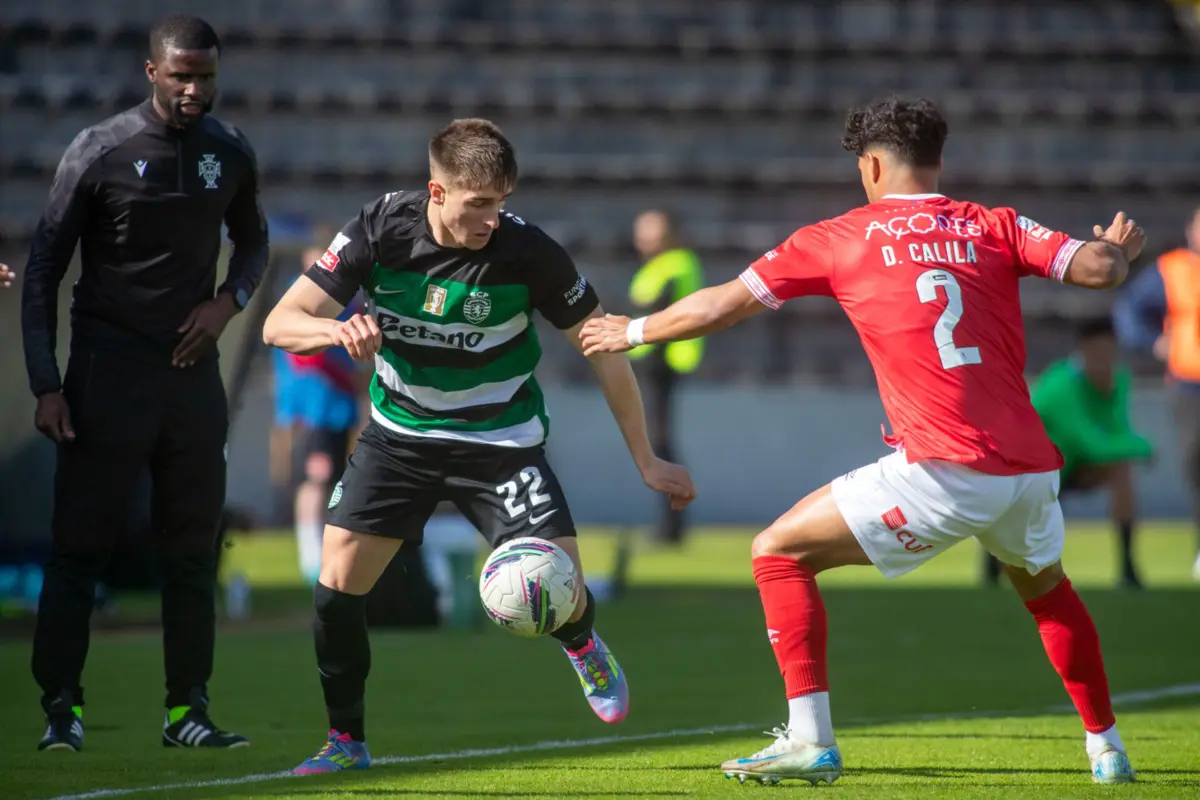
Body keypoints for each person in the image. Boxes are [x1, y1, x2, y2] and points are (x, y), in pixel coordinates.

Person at [581, 96, 1144, 787]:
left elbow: (724, 304)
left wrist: (633, 330)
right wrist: (1116, 250)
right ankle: (1107, 749)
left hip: (945, 467)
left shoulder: (841, 236)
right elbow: (1099, 270)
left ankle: (809, 739)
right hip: (1028, 470)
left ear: (872, 165)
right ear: (938, 160)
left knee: (777, 553)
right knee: (1049, 595)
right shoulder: (991, 223)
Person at [261, 118, 696, 775]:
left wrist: (646, 458)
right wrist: (337, 332)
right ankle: (345, 742)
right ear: (437, 192)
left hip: (501, 442)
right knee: (335, 588)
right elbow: (279, 323)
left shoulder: (529, 252)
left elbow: (604, 349)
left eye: (501, 202)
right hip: (400, 439)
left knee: (561, 585)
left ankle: (582, 643)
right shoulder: (379, 230)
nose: (493, 219)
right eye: (479, 204)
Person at [20, 14, 268, 752]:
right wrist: (46, 383)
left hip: (191, 378)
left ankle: (187, 710)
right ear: (152, 72)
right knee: (80, 548)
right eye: (182, 76)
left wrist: (227, 304)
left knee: (193, 552)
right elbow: (43, 269)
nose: (196, 90)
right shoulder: (99, 150)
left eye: (207, 76)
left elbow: (253, 242)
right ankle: (61, 707)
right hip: (106, 374)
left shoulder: (230, 150)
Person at [985, 318, 1154, 588]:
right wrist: (1143, 447)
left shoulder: (1119, 380)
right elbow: (1092, 444)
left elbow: (1118, 430)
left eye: (1106, 353)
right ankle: (992, 565)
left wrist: (1132, 446)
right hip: (1029, 470)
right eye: (1095, 354)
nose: (1101, 361)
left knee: (1121, 469)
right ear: (1082, 352)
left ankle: (1128, 568)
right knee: (1020, 542)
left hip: (1069, 464)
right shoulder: (1062, 385)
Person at [1113, 205, 1200, 580]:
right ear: (1190, 229)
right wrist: (1153, 343)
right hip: (1190, 383)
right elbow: (1129, 310)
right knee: (1196, 464)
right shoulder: (1172, 270)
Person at [271, 243, 366, 583]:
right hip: (314, 410)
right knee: (316, 478)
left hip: (336, 409)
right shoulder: (300, 303)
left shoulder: (345, 303)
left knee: (332, 481)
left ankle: (323, 551)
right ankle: (310, 557)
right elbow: (305, 357)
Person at [627, 210, 705, 545]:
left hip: (664, 363)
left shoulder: (678, 264)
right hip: (650, 364)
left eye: (652, 234)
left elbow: (662, 314)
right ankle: (670, 524)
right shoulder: (654, 267)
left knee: (661, 443)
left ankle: (672, 525)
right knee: (658, 442)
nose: (644, 241)